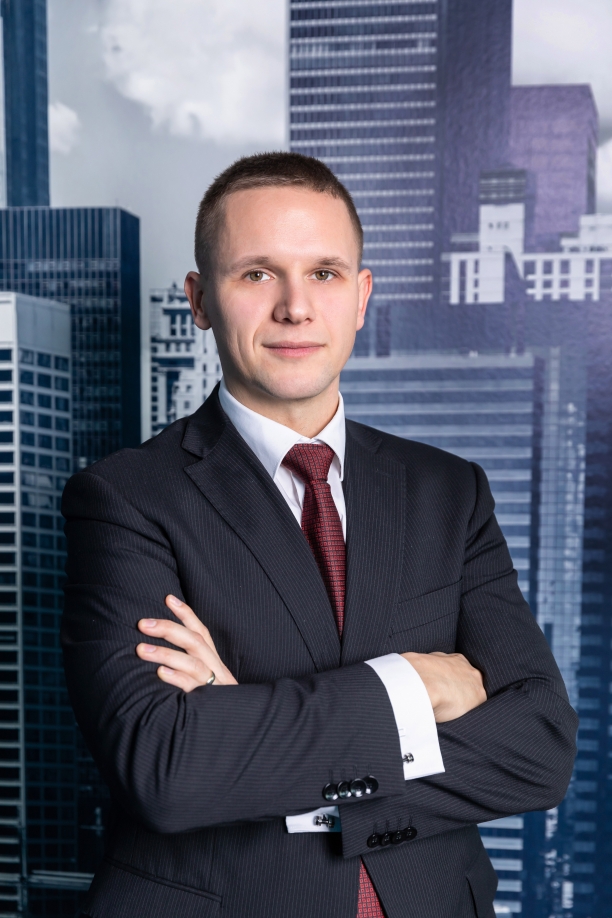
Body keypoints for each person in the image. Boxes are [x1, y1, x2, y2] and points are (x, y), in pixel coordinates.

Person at [62, 152, 577, 918]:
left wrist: (251, 729)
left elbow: (539, 748)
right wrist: (410, 687)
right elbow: (167, 766)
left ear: (361, 297)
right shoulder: (127, 498)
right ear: (200, 300)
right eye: (257, 274)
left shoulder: (449, 492)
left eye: (325, 273)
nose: (295, 307)